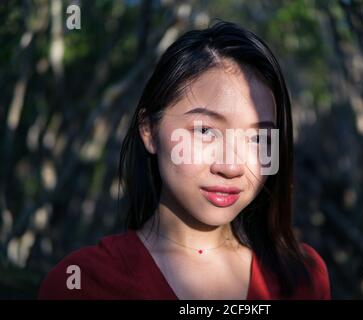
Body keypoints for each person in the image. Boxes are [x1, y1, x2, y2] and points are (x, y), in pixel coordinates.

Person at [38, 20, 331, 300]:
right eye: (205, 131)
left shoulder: (302, 278)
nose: (231, 167)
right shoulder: (83, 284)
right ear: (149, 130)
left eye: (257, 138)